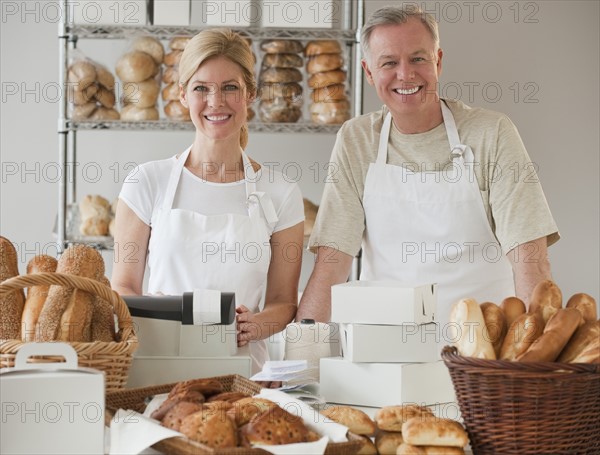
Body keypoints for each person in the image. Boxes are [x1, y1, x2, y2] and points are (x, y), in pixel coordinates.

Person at [295, 5, 559, 335]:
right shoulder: (357, 139)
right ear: (368, 72)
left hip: (481, 355)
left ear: (438, 61)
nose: (405, 74)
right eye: (389, 62)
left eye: (418, 58)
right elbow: (331, 264)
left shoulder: (491, 133)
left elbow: (530, 260)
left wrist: (533, 358)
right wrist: (300, 352)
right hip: (383, 347)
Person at [111, 29, 305, 374]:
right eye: (201, 88)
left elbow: (283, 302)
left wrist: (256, 325)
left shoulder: (281, 191)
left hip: (242, 374)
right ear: (183, 94)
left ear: (250, 94)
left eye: (230, 87)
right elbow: (123, 287)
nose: (216, 102)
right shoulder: (145, 182)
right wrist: (160, 320)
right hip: (156, 368)